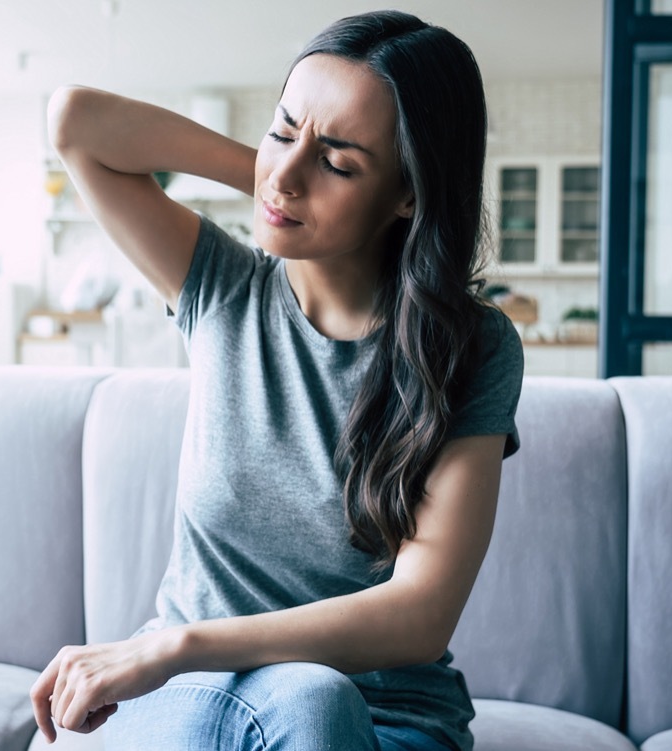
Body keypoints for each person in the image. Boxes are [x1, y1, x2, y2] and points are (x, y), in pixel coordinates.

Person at [31, 9, 523, 751]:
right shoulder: (222, 289)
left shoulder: (471, 346)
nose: (289, 171)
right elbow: (77, 122)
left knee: (308, 696)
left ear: (409, 194)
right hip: (196, 701)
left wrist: (176, 645)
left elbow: (422, 611)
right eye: (283, 128)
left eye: (339, 162)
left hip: (368, 719)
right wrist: (282, 178)